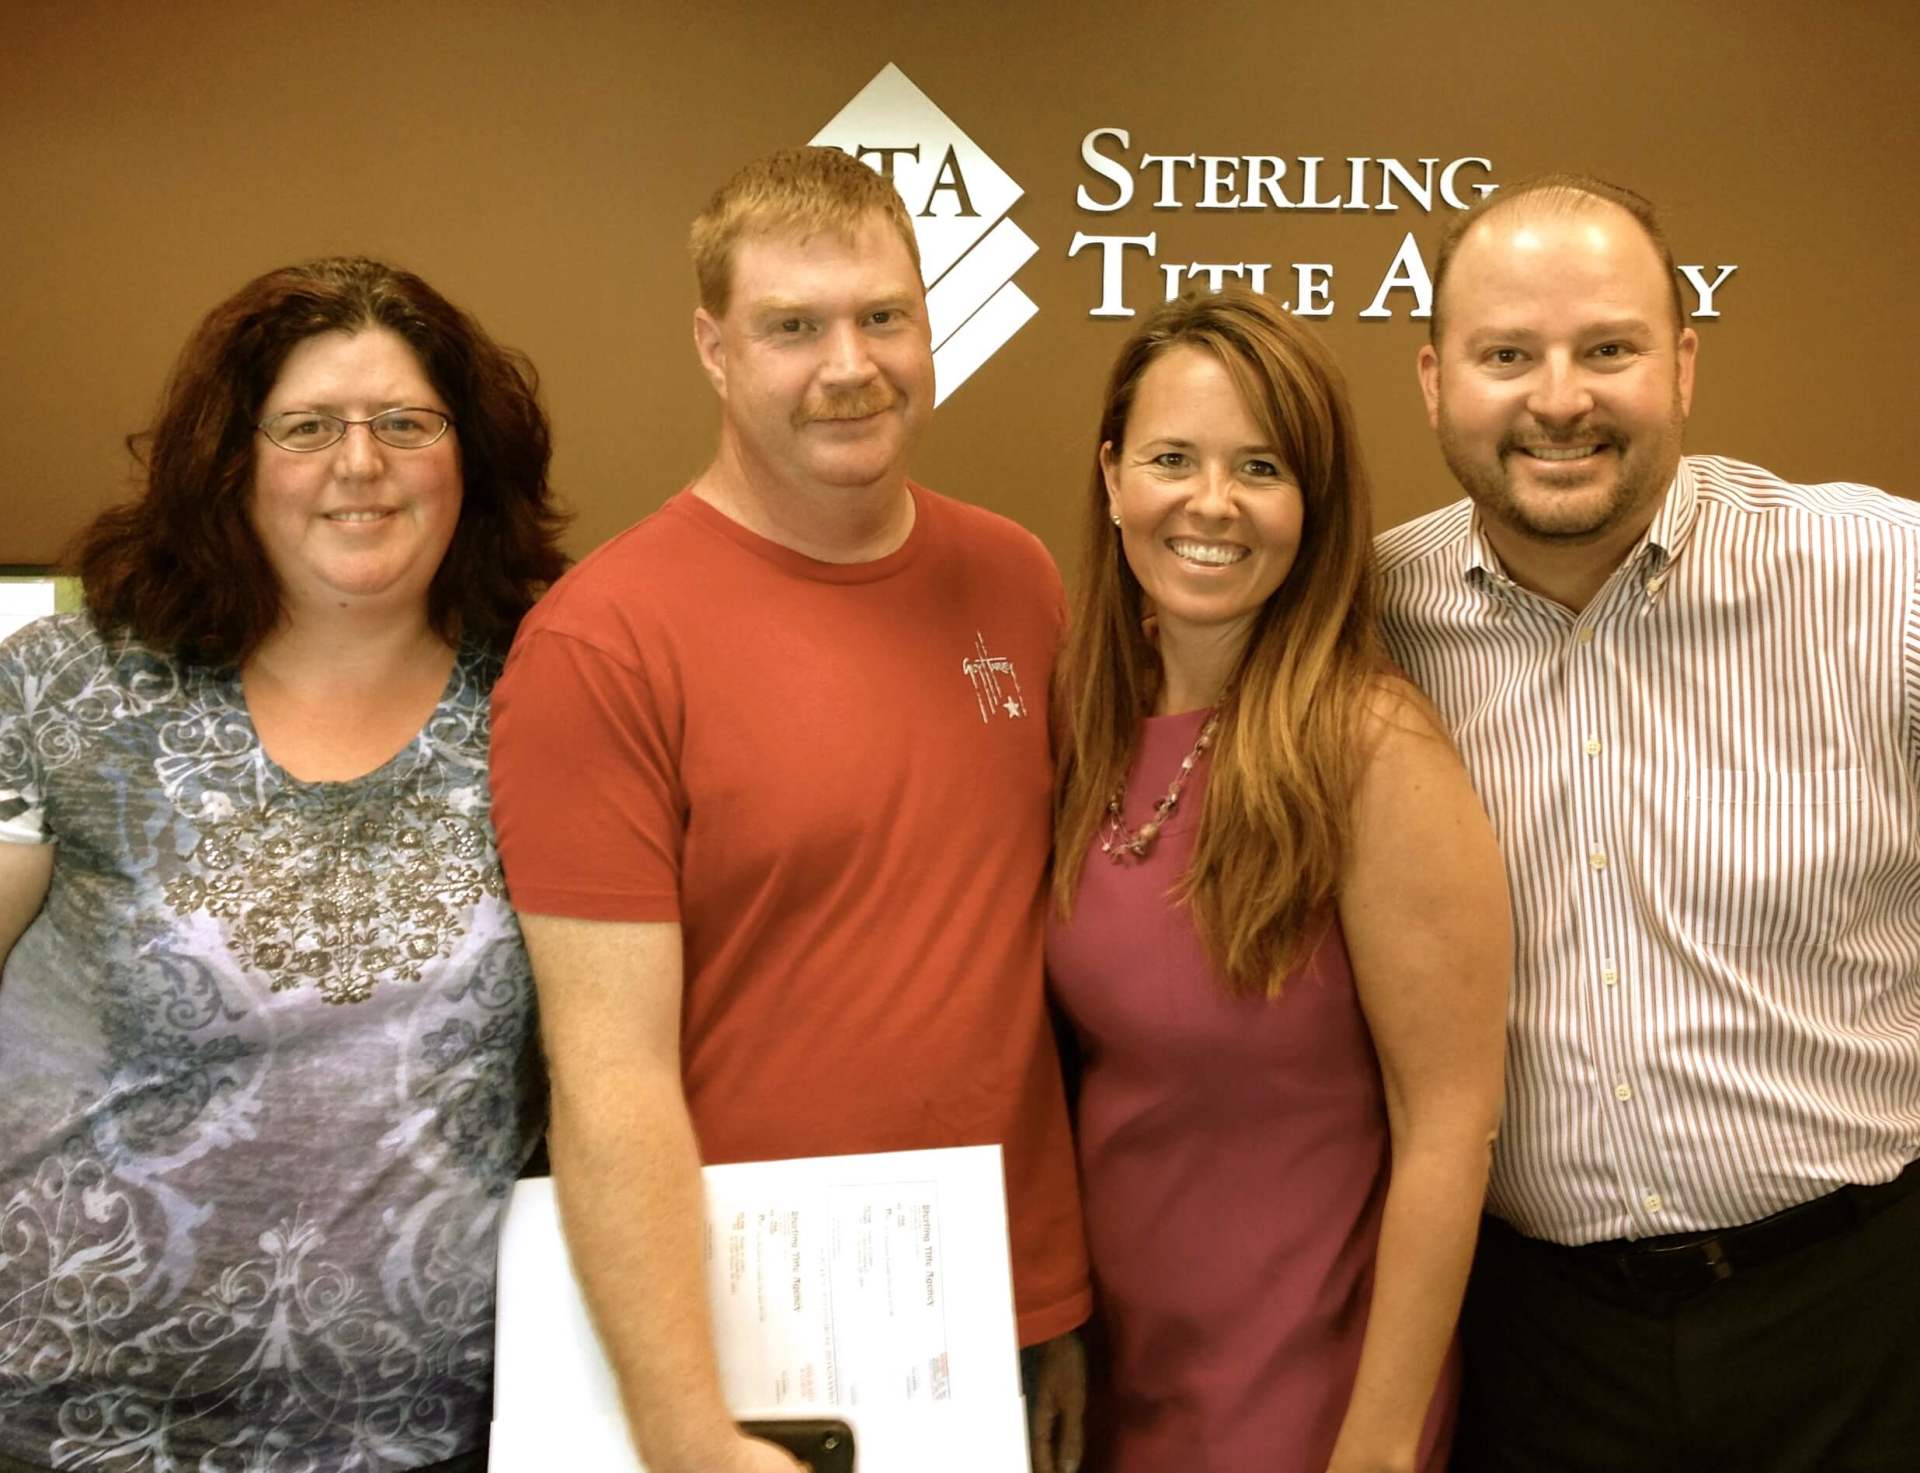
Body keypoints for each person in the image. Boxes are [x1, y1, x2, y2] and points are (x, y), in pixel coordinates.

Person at [487, 146, 1091, 1473]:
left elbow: (1018, 980)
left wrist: (1058, 1317)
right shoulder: (603, 642)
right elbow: (608, 1078)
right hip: (742, 1345)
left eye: (885, 315)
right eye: (793, 327)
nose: (850, 364)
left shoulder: (1019, 580)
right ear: (714, 347)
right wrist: (685, 1428)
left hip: (998, 1315)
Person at [1375, 174, 1920, 1472]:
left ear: (1679, 364)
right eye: (1506, 354)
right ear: (1433, 378)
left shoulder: (1884, 581)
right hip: (1533, 1346)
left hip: (1863, 1318)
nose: (1558, 398)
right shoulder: (1362, 620)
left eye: (1607, 348)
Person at [0, 258, 568, 1472]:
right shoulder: (66, 684)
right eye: (307, 427)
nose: (358, 464)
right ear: (231, 461)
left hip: (425, 1428)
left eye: (406, 424)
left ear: (469, 457)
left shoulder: (553, 698)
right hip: (67, 1415)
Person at [1047, 287, 1509, 1473]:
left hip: (1308, 1385)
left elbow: (1450, 1124)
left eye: (1260, 466)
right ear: (1111, 478)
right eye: (1171, 458)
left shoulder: (1370, 747)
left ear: (1314, 502)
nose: (1211, 504)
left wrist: (1382, 1441)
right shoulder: (1089, 722)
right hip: (1127, 1370)